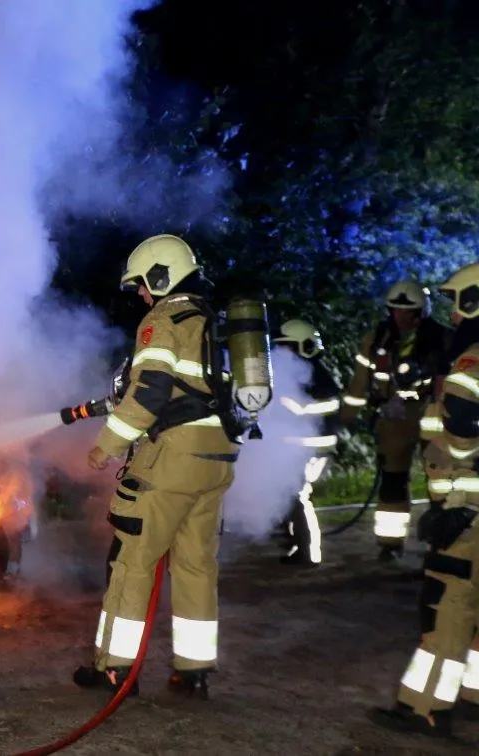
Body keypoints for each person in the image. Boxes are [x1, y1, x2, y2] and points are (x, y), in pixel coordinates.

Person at [73, 233, 237, 700]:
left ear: (161, 276)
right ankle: (193, 672)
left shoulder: (164, 318)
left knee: (133, 563)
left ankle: (115, 669)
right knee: (196, 566)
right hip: (217, 457)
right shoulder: (214, 321)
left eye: (143, 285)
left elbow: (148, 394)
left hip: (173, 458)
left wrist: (105, 446)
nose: (141, 295)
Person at [369, 262, 479, 737]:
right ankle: (473, 693)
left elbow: (460, 435)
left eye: (459, 303)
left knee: (448, 604)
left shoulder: (472, 360)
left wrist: (455, 505)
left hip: (467, 511)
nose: (454, 315)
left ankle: (425, 708)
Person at [339, 281, 451, 561]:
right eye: (396, 310)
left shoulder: (443, 338)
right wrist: (348, 416)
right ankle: (390, 543)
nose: (402, 317)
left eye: (408, 311)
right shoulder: (378, 337)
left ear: (421, 310)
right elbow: (359, 381)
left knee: (440, 484)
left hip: (431, 415)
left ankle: (441, 544)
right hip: (393, 419)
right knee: (392, 481)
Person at [273, 319, 341, 566]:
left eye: (289, 347)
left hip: (312, 448)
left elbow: (302, 409)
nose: (284, 353)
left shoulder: (316, 376)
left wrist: (278, 400)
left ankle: (309, 552)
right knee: (288, 497)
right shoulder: (298, 373)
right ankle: (295, 546)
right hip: (298, 447)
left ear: (305, 346)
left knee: (298, 496)